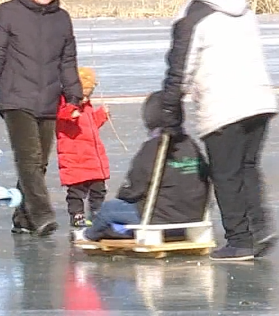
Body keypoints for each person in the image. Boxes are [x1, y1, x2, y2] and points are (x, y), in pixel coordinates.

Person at [159, 0, 279, 261]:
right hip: (260, 100)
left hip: (223, 104)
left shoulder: (193, 15)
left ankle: (240, 240)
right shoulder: (243, 6)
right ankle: (259, 226)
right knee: (247, 167)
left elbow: (179, 68)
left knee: (225, 174)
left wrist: (169, 112)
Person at [0, 0, 83, 237]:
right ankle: (42, 215)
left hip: (48, 98)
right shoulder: (7, 13)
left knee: (41, 163)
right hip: (16, 98)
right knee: (30, 159)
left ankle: (22, 217)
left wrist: (74, 95)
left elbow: (67, 61)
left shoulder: (62, 19)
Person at [74, 91, 209, 243]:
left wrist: (124, 196)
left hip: (158, 216)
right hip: (193, 214)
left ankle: (88, 235)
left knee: (107, 210)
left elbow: (134, 187)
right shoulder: (191, 145)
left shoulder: (153, 147)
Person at [56, 66, 111, 228]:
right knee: (76, 191)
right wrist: (70, 113)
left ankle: (96, 213)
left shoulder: (87, 107)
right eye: (84, 93)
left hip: (93, 157)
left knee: (98, 189)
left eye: (90, 93)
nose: (87, 98)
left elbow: (91, 126)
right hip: (75, 158)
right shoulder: (64, 103)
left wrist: (102, 115)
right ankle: (77, 215)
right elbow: (59, 115)